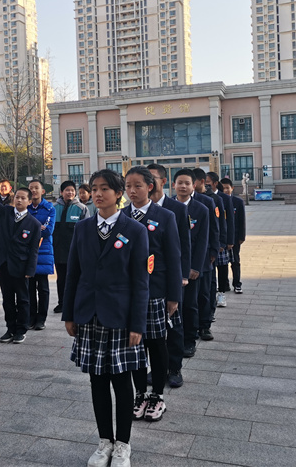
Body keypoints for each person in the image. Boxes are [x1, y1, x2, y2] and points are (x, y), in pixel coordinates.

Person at [63, 168, 149, 467]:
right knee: (97, 382)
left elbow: (141, 281)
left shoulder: (134, 230)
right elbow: (73, 274)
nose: (98, 194)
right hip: (88, 315)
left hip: (120, 317)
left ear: (118, 194)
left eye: (105, 189)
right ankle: (104, 441)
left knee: (122, 383)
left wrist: (138, 323)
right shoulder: (83, 228)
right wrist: (70, 313)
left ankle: (123, 444)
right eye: (94, 188)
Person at [123, 166, 182, 423]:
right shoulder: (120, 216)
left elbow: (173, 256)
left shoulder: (165, 216)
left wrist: (173, 295)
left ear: (150, 187)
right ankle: (140, 393)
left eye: (137, 186)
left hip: (155, 292)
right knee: (134, 347)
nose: (131, 191)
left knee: (157, 344)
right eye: (127, 186)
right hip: (126, 294)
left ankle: (157, 394)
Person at [0, 163, 42, 344]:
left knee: (23, 299)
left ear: (29, 202)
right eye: (18, 198)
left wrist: (31, 269)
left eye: (24, 198)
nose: (20, 200)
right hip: (4, 264)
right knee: (7, 299)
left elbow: (34, 249)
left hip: (22, 267)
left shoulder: (34, 224)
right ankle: (10, 328)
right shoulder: (5, 212)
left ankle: (21, 329)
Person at [146, 164, 190, 388]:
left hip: (170, 277)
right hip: (145, 281)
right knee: (151, 330)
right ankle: (157, 367)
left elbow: (182, 247)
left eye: (152, 179)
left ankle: (175, 368)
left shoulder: (177, 209)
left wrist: (181, 276)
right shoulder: (135, 209)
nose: (149, 183)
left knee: (172, 325)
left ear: (164, 182)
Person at [171, 169, 209, 361]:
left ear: (193, 186)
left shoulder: (201, 209)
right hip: (172, 265)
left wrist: (195, 267)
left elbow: (203, 241)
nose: (183, 186)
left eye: (187, 183)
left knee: (190, 305)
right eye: (180, 183)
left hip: (191, 267)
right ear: (173, 185)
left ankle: (189, 340)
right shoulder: (167, 208)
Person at [53, 181, 89, 314]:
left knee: (74, 278)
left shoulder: (81, 209)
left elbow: (86, 232)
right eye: (67, 190)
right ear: (61, 192)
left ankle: (74, 303)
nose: (70, 193)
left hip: (75, 251)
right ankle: (61, 303)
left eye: (72, 190)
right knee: (61, 278)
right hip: (58, 250)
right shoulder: (54, 208)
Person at [192, 168, 220, 342]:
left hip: (205, 254)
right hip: (187, 256)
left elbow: (215, 228)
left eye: (189, 182)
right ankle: (192, 326)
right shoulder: (174, 204)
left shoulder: (206, 202)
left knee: (204, 292)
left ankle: (205, 325)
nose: (185, 186)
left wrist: (214, 250)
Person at [27, 179, 56, 331]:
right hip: (28, 252)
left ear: (42, 191)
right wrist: (39, 227)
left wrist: (31, 231)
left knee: (43, 287)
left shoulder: (50, 208)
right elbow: (22, 230)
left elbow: (49, 230)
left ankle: (41, 319)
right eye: (31, 188)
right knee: (29, 287)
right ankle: (31, 317)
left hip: (44, 251)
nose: (33, 191)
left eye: (36, 188)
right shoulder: (26, 208)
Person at [205, 171, 235, 308]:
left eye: (208, 183)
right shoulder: (202, 197)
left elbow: (227, 222)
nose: (206, 185)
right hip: (208, 240)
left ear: (215, 183)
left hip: (220, 240)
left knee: (222, 268)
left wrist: (227, 241)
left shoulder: (223, 198)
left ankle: (222, 293)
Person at [220, 177, 246, 294]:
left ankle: (237, 283)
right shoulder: (218, 201)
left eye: (227, 188)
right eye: (223, 188)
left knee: (235, 261)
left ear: (232, 188)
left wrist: (242, 237)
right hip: (222, 239)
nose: (225, 190)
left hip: (235, 238)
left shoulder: (238, 202)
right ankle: (224, 285)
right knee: (222, 263)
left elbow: (242, 221)